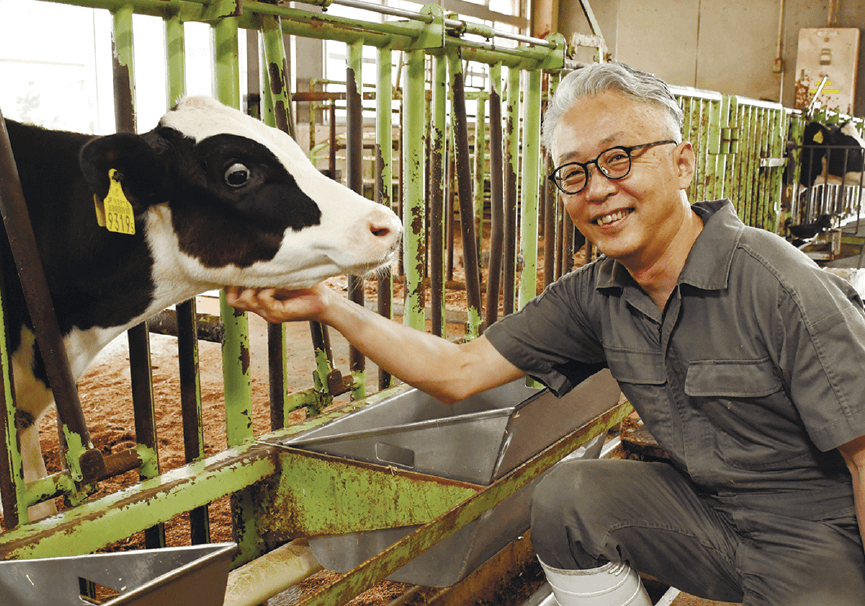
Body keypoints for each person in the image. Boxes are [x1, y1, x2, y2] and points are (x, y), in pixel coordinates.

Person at [227, 61, 865, 606]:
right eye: (574, 172)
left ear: (682, 164)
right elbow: (459, 371)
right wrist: (330, 305)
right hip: (710, 518)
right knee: (571, 496)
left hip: (817, 538)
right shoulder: (597, 295)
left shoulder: (776, 282)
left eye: (619, 158)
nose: (599, 189)